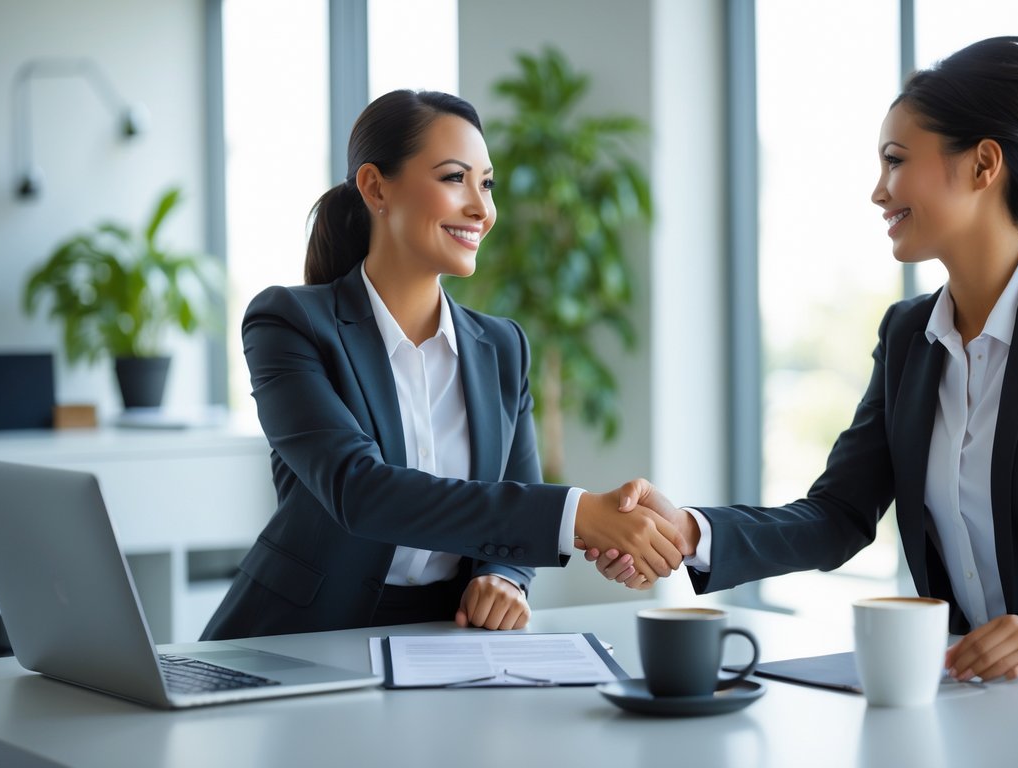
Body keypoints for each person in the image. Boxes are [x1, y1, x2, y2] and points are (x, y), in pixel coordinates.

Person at [586, 37, 1018, 698]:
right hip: (997, 701)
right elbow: (837, 515)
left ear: (983, 164)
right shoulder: (909, 336)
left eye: (895, 161)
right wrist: (690, 532)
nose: (877, 191)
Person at [203, 90, 682, 641]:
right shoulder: (289, 322)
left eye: (487, 183)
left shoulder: (503, 346)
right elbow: (360, 491)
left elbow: (515, 498)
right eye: (455, 178)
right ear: (375, 187)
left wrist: (502, 576)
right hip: (297, 639)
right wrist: (579, 516)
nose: (482, 208)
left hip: (448, 638)